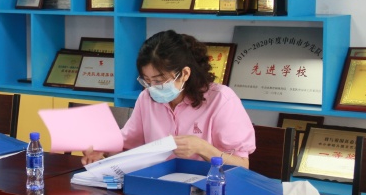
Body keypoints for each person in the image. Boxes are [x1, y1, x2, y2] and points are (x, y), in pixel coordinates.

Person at [82, 30, 255, 167]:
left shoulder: (221, 100)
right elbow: (127, 146)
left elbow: (242, 165)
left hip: (207, 189)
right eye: (147, 81)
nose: (153, 87)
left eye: (159, 81)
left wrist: (202, 148)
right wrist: (102, 150)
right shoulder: (146, 98)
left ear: (184, 73)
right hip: (157, 185)